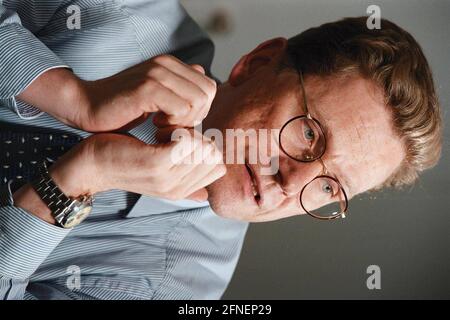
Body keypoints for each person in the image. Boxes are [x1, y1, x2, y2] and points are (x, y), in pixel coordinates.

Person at [0, 0, 441, 299]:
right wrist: (70, 97)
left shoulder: (176, 286)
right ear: (257, 63)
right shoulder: (122, 13)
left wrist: (78, 177)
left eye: (330, 188)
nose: (292, 183)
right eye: (310, 135)